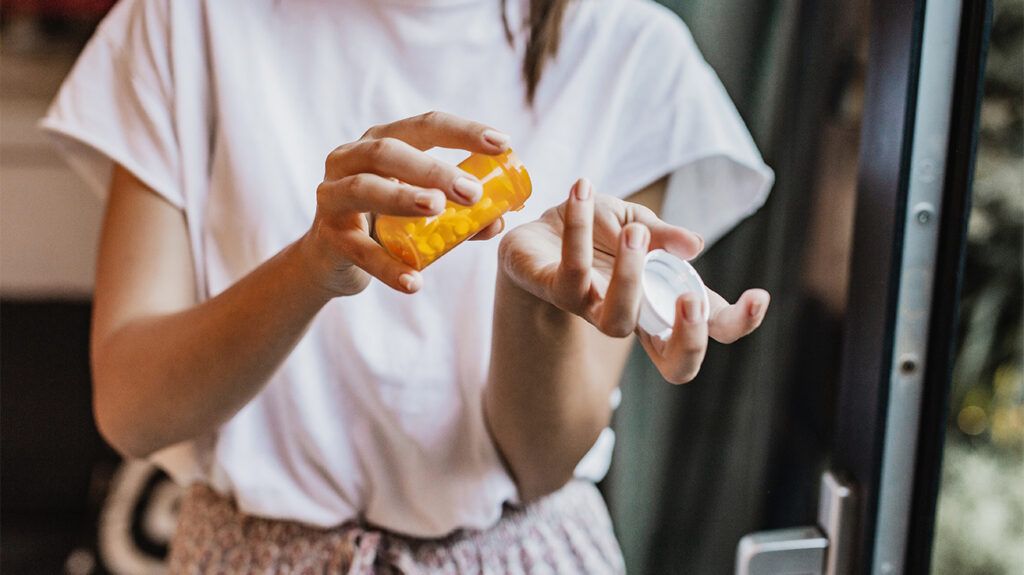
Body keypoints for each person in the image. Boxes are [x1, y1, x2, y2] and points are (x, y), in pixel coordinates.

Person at [43, 0, 774, 571]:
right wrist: (313, 264)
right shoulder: (182, 22)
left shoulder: (631, 51)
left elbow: (541, 463)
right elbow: (132, 411)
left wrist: (530, 303)